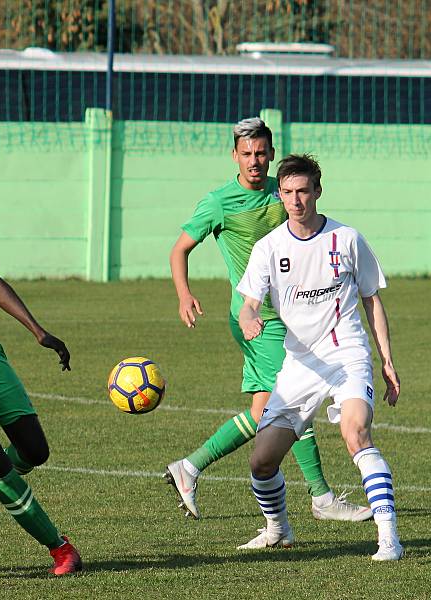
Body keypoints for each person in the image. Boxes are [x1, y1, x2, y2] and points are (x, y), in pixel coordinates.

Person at [164, 117, 370, 522]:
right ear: (234, 156)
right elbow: (179, 249)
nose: (254, 161)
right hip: (257, 320)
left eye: (261, 153)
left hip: (296, 318)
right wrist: (184, 294)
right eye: (246, 154)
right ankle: (321, 496)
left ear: (272, 155)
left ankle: (188, 468)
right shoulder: (219, 202)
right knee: (294, 405)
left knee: (265, 412)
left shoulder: (284, 194)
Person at [235, 154, 402, 560]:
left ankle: (389, 538)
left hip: (346, 355)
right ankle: (278, 530)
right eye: (288, 192)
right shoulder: (269, 248)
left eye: (303, 191)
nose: (296, 200)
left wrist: (386, 361)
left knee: (356, 433)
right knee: (261, 461)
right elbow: (248, 304)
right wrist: (249, 318)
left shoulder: (346, 239)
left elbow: (371, 301)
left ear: (317, 192)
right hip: (300, 365)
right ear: (280, 195)